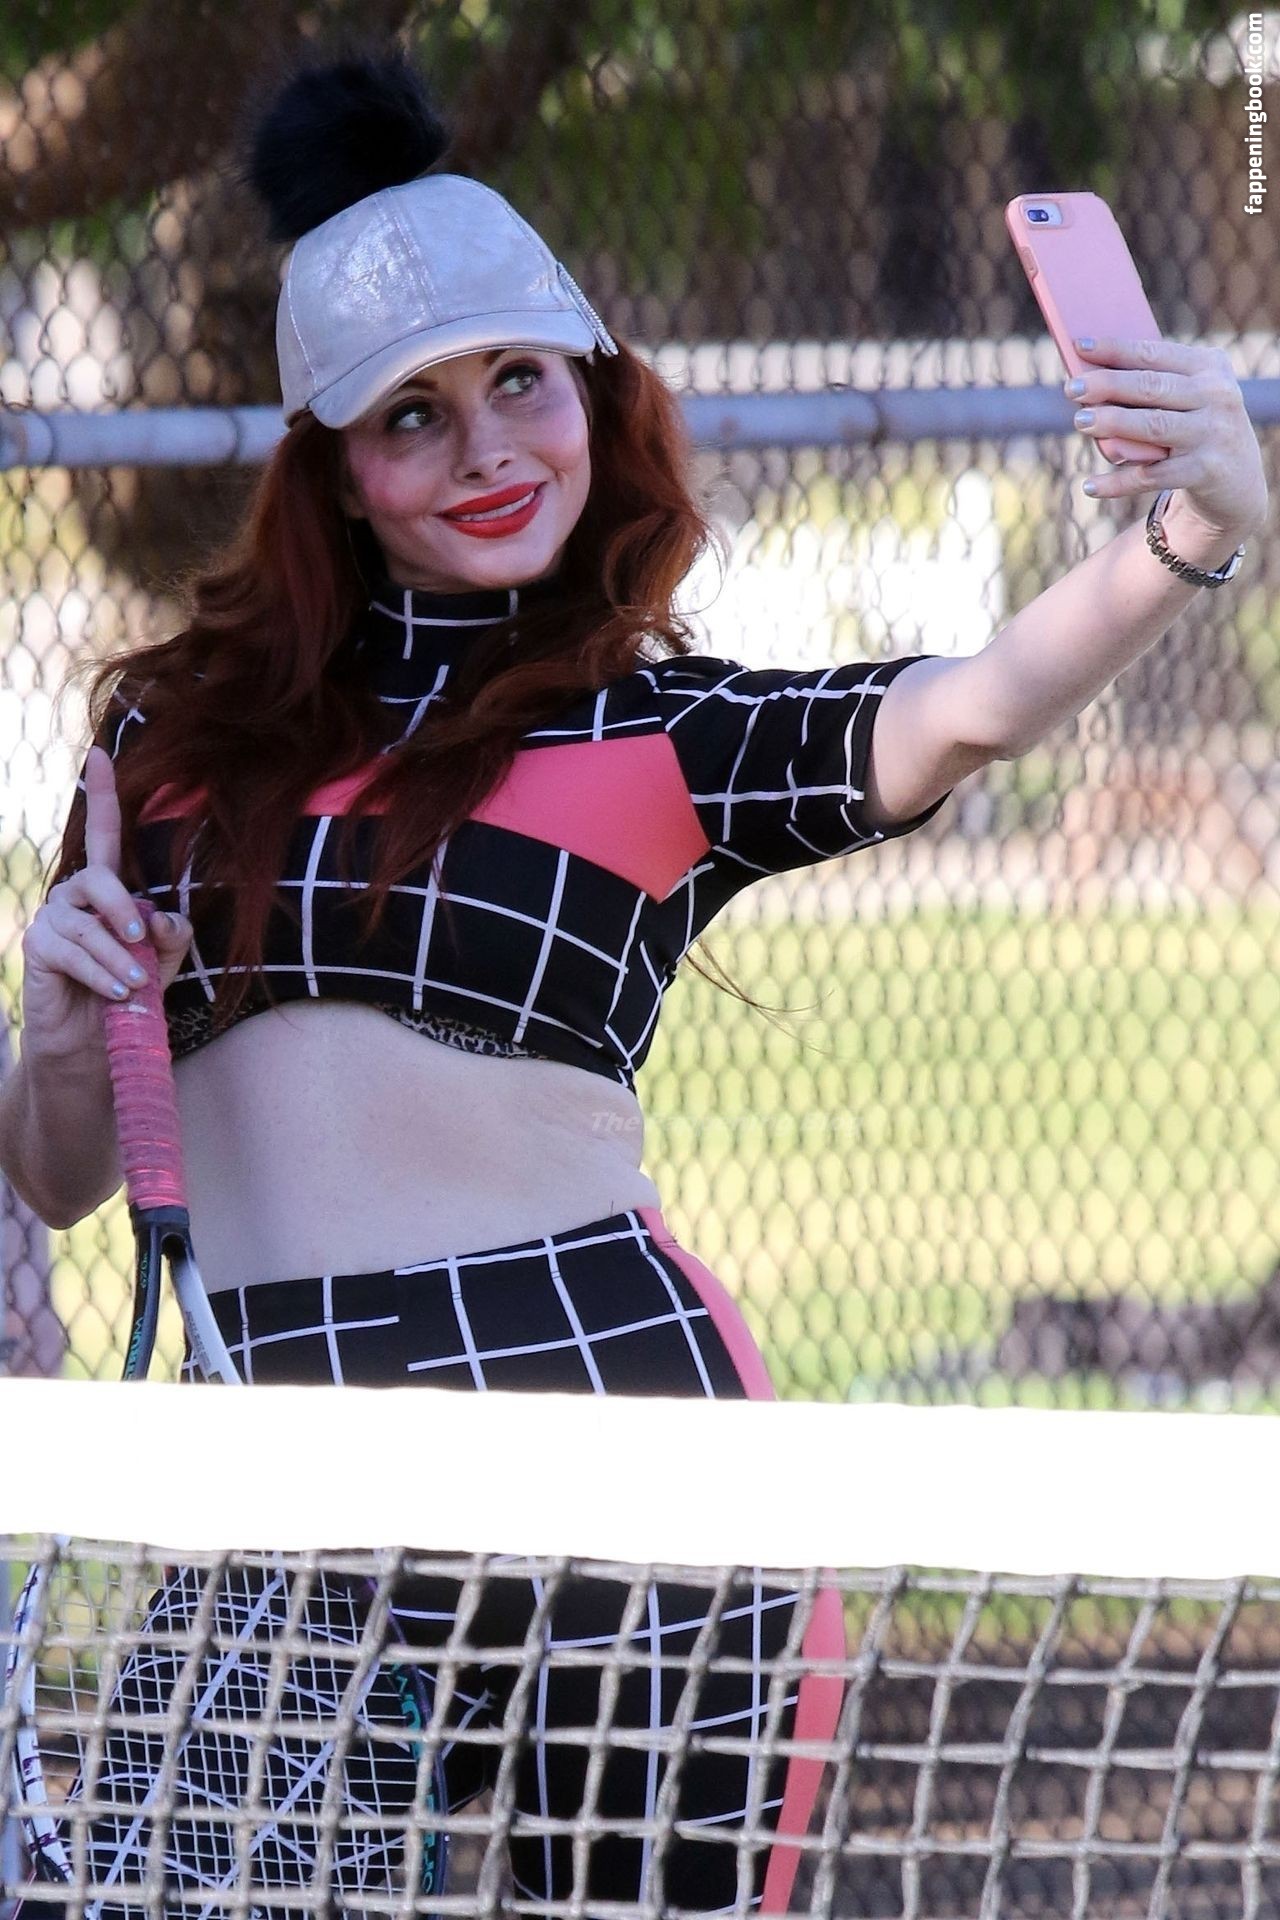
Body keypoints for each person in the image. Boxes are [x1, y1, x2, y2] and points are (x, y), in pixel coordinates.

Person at [0, 43, 1265, 1920]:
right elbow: (57, 1177)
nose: (490, 448)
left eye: (524, 380)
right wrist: (55, 1019)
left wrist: (1186, 534)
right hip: (272, 1491)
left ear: (594, 390)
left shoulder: (653, 727)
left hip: (633, 1470)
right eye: (415, 413)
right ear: (332, 470)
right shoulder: (162, 750)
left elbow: (969, 708)